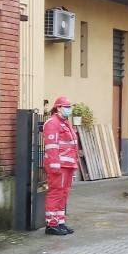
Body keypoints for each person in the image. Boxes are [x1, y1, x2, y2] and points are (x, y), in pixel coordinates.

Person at [42, 95, 79, 235]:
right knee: (56, 193)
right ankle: (51, 224)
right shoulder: (52, 123)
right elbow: (52, 146)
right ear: (58, 108)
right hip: (58, 165)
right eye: (67, 107)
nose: (69, 109)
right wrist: (54, 165)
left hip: (67, 165)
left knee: (64, 193)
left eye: (70, 107)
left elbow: (72, 145)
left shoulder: (65, 123)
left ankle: (60, 222)